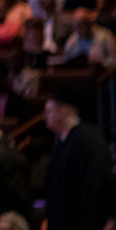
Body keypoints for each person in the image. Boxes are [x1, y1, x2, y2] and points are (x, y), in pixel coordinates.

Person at [43, 90, 115, 230]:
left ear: (64, 110)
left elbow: (98, 183)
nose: (45, 117)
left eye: (49, 111)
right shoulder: (60, 144)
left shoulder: (89, 139)